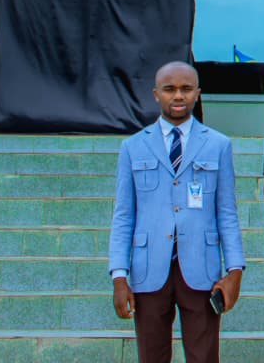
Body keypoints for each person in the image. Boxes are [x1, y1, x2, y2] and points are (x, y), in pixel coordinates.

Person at [108, 61, 245, 363]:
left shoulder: (218, 145)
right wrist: (119, 275)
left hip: (201, 269)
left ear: (198, 93)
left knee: (203, 355)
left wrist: (235, 270)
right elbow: (124, 216)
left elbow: (226, 212)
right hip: (149, 269)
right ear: (156, 94)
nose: (178, 96)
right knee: (152, 355)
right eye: (170, 89)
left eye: (186, 89)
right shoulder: (133, 147)